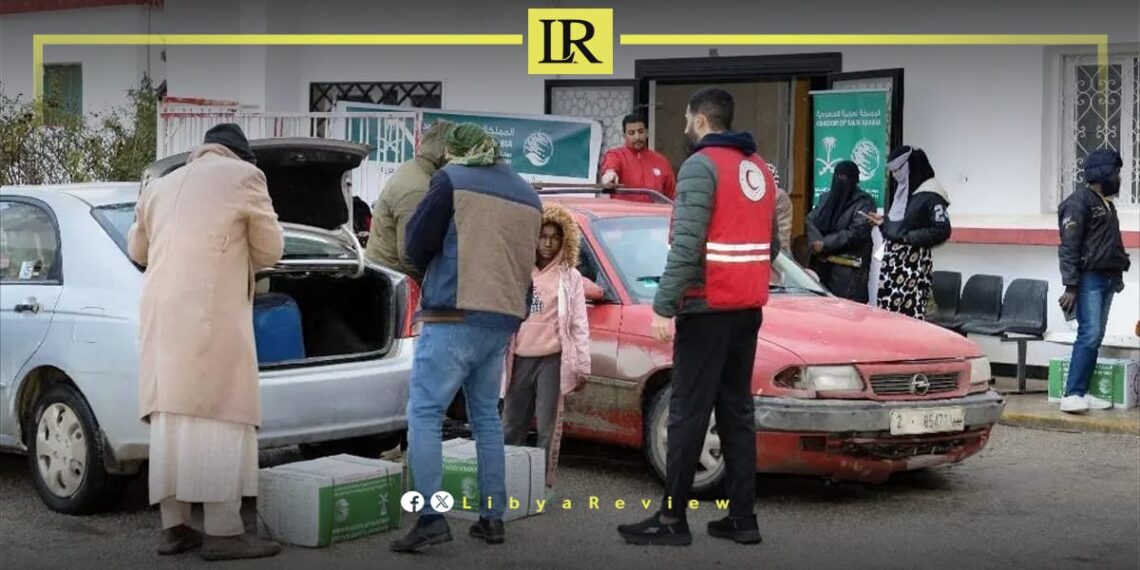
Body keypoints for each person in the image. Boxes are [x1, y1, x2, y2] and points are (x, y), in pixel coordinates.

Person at [617, 87, 779, 547]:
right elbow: (774, 247)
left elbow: (686, 247)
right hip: (748, 309)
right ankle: (742, 519)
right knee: (736, 412)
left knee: (687, 413)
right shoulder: (760, 170)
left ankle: (671, 521)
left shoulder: (699, 167)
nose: (686, 126)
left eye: (688, 119)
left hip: (705, 308)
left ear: (702, 121)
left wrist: (665, 304)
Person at [127, 124, 284, 561]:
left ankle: (174, 528)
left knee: (172, 420)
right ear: (240, 156)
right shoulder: (245, 178)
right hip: (209, 315)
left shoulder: (160, 184)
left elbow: (137, 250)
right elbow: (271, 250)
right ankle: (224, 532)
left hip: (161, 318)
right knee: (220, 415)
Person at [392, 123, 543, 553]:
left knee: (424, 413)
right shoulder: (529, 195)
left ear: (456, 150)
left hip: (453, 313)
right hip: (501, 320)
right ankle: (492, 517)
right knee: (486, 418)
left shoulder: (451, 180)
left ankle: (429, 516)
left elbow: (416, 244)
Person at [500, 202, 592, 492]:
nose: (548, 243)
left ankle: (540, 484)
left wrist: (581, 365)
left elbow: (578, 323)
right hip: (518, 359)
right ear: (532, 237)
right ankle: (505, 480)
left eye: (555, 237)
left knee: (547, 428)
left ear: (564, 240)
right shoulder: (518, 271)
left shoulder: (570, 277)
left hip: (552, 361)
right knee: (512, 424)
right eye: (543, 236)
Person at [1056, 149, 1132, 414]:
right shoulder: (1078, 202)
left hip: (1108, 278)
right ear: (1102, 173)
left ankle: (1083, 393)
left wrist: (1120, 271)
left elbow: (1112, 241)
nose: (1119, 178)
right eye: (1116, 172)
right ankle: (1072, 394)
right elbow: (1069, 246)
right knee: (1088, 335)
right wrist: (1071, 286)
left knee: (1096, 336)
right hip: (1088, 280)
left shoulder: (1106, 203)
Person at [865, 146, 951, 319]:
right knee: (889, 312)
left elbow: (942, 230)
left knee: (909, 315)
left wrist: (909, 238)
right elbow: (902, 224)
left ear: (909, 167)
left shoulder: (931, 194)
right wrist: (884, 223)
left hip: (913, 265)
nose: (895, 176)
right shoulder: (903, 191)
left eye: (898, 170)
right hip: (893, 264)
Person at [364, 120, 454, 278]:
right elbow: (410, 254)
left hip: (384, 272)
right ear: (445, 153)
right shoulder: (419, 189)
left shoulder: (413, 169)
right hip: (392, 277)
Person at [806, 160, 876, 302]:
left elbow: (857, 233)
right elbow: (811, 219)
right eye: (837, 176)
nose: (840, 181)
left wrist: (824, 244)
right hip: (823, 267)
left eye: (844, 178)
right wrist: (816, 241)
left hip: (849, 270)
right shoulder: (827, 198)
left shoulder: (864, 202)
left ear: (854, 180)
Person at [600, 113, 677, 200]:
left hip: (655, 213)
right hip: (625, 213)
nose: (637, 137)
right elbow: (610, 166)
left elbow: (672, 195)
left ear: (647, 133)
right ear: (624, 136)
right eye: (631, 133)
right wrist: (610, 173)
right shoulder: (616, 155)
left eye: (640, 132)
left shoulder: (661, 161)